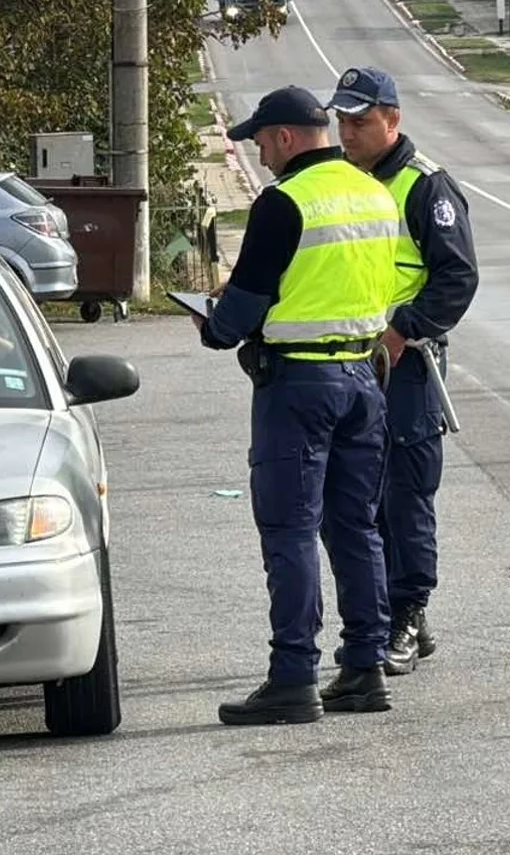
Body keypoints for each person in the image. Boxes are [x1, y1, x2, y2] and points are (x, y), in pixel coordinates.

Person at [194, 86, 400, 726]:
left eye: (260, 141)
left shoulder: (283, 203)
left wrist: (214, 323)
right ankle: (364, 669)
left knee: (289, 531)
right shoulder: (373, 191)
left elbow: (242, 310)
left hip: (298, 388)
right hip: (364, 378)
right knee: (357, 527)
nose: (259, 152)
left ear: (285, 137)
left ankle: (293, 677)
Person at [328, 66, 479, 676]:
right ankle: (381, 612)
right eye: (341, 122)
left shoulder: (425, 187)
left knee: (405, 493)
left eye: (360, 122)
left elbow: (457, 278)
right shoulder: (340, 181)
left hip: (405, 365)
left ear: (393, 120)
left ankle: (408, 615)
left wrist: (402, 328)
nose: (349, 134)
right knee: (353, 498)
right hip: (346, 362)